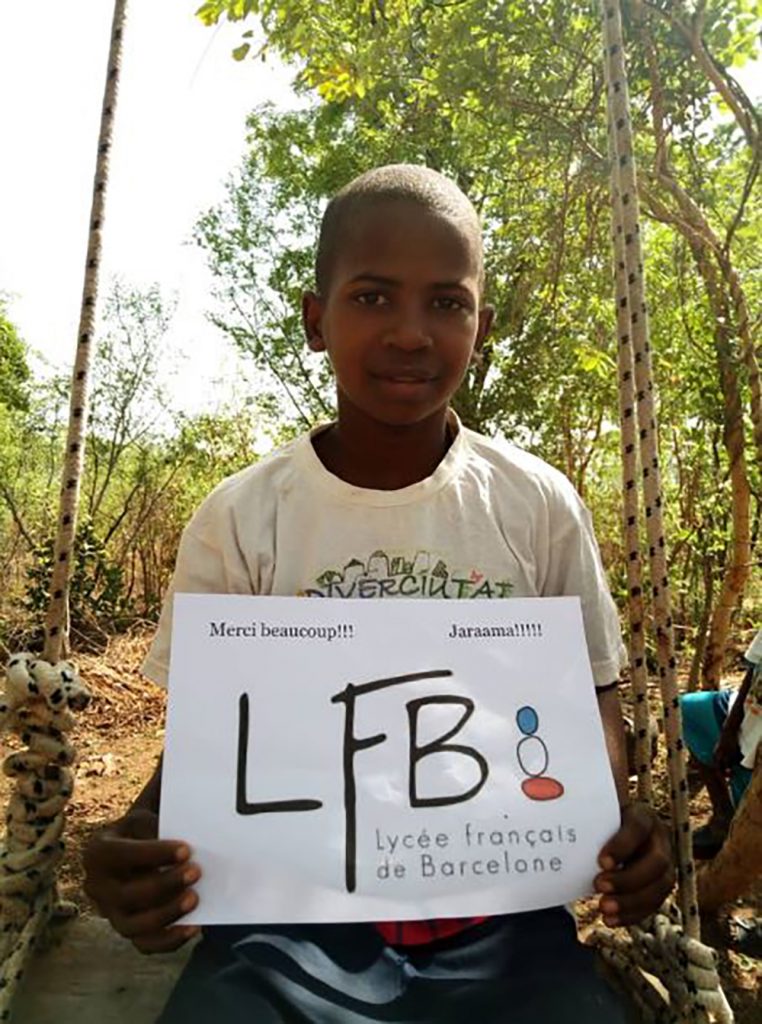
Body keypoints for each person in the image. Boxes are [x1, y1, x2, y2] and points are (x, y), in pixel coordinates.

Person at [83, 164, 674, 1023]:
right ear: (315, 320)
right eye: (371, 298)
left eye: (447, 302)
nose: (410, 333)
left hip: (504, 923)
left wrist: (618, 827)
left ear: (481, 327)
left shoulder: (536, 506)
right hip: (284, 926)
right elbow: (212, 745)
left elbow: (592, 705)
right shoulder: (242, 518)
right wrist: (140, 843)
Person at [680, 628, 762, 859]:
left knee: (749, 821)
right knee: (688, 710)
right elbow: (753, 670)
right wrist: (729, 730)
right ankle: (722, 817)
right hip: (748, 716)